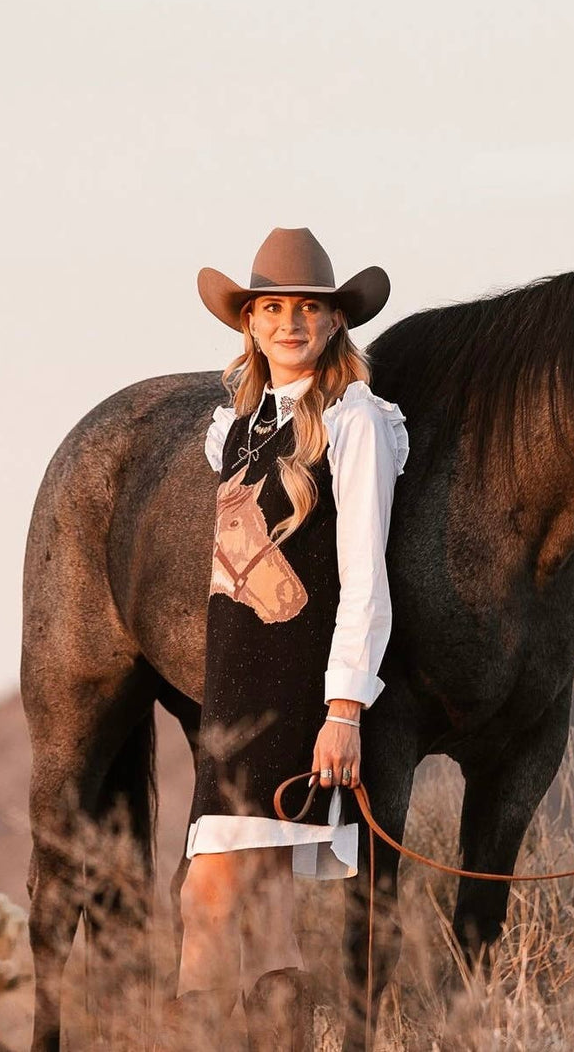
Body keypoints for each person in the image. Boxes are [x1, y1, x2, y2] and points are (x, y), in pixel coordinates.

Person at [165, 227, 409, 1051]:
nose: (289, 322)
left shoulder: (355, 422)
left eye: (308, 308)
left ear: (337, 321)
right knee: (268, 920)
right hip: (230, 693)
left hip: (299, 694)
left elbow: (365, 576)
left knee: (207, 899)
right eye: (272, 307)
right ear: (250, 322)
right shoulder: (230, 429)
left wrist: (344, 708)